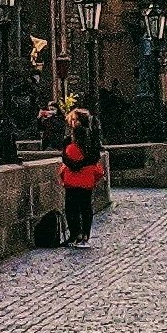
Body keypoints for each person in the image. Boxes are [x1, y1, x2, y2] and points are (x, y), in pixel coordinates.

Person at [59, 104, 108, 247]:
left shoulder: (70, 139)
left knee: (71, 208)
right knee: (85, 207)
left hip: (73, 178)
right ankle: (85, 235)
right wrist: (82, 163)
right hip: (86, 178)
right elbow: (94, 157)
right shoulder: (92, 138)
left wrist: (74, 164)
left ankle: (75, 234)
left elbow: (64, 156)